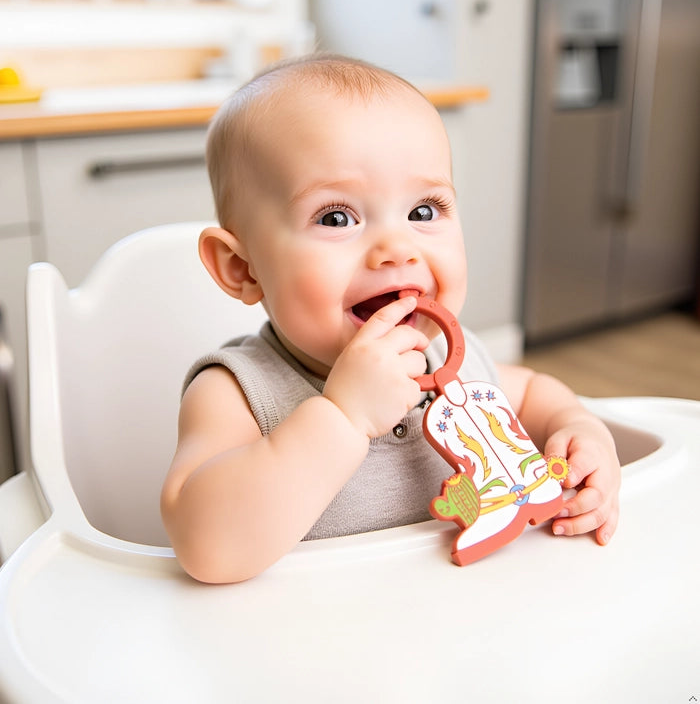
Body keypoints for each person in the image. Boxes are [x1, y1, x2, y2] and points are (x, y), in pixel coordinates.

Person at [160, 54, 621, 583]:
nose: (397, 249)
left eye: (424, 211)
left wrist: (579, 430)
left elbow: (536, 391)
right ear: (242, 268)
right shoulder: (238, 393)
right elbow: (205, 546)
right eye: (337, 217)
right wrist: (344, 418)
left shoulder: (450, 360)